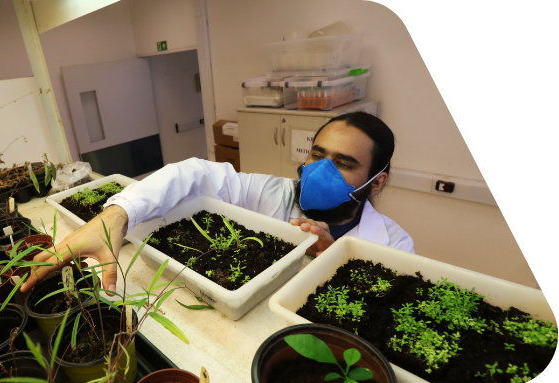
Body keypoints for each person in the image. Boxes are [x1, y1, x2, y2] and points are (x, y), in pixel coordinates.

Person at [21, 112, 413, 294]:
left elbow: (380, 316)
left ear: (377, 183)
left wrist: (337, 262)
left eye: (343, 164)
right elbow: (192, 173)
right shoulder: (272, 192)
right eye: (317, 154)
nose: (320, 170)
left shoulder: (395, 244)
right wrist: (115, 215)